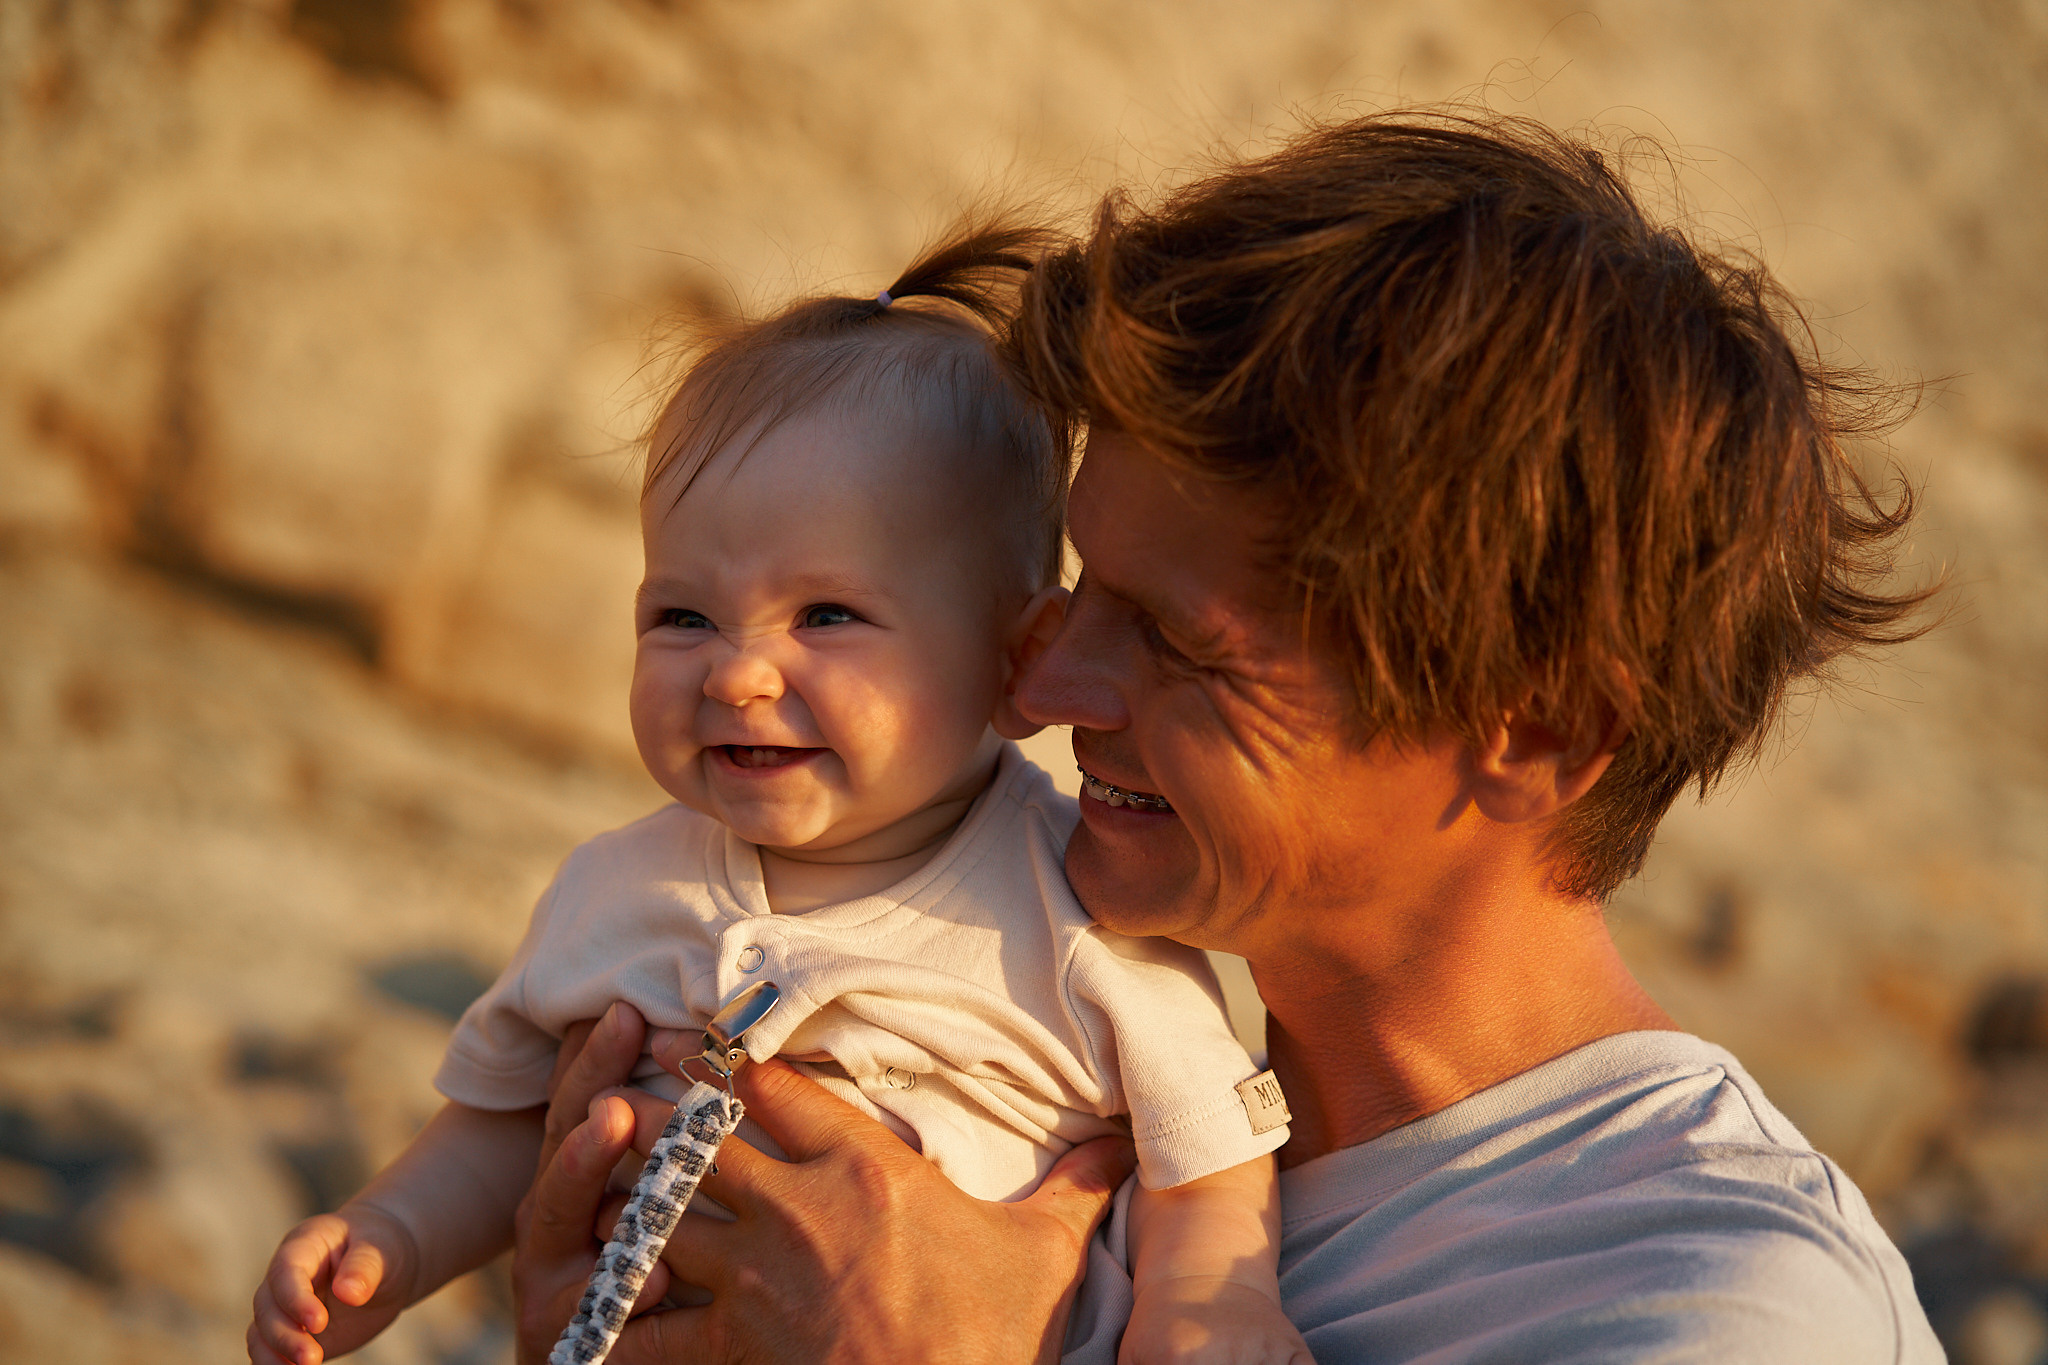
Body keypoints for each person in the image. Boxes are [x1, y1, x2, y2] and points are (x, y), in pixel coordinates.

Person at [509, 112, 1948, 1363]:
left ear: (1540, 731)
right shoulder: (1055, 1079)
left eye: (1179, 640)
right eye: (1079, 591)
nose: (1048, 686)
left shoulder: (1718, 1308)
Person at [247, 228, 1313, 1365]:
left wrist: (1212, 1311)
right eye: (683, 617)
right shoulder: (616, 885)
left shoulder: (1077, 917)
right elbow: (502, 1126)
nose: (738, 673)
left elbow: (1206, 1164)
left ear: (1017, 662)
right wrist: (388, 1243)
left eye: (826, 618)